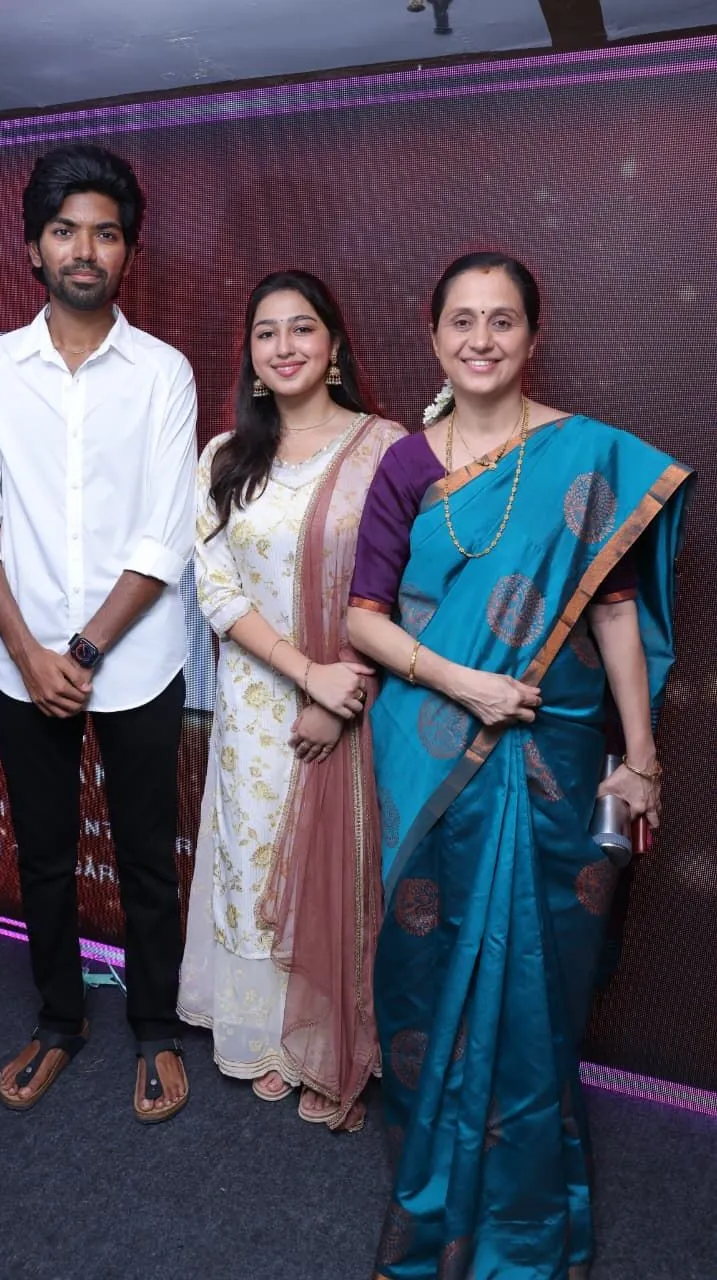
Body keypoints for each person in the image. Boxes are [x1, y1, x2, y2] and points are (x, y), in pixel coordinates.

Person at [346, 253, 691, 1276]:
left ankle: (526, 1212)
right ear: (433, 335)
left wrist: (641, 759)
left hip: (555, 753)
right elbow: (363, 620)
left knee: (540, 978)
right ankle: (439, 1182)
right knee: (432, 962)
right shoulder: (406, 465)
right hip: (433, 749)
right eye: (461, 320)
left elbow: (616, 613)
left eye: (502, 320)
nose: (481, 339)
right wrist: (467, 685)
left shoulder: (585, 459)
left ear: (532, 336)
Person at [0, 144, 197, 1122]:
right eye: (64, 231)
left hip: (136, 660)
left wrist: (83, 651)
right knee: (43, 855)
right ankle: (58, 1020)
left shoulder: (163, 373)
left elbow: (163, 532)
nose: (84, 249)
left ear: (127, 251)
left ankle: (155, 1027)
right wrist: (27, 651)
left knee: (146, 858)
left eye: (104, 232)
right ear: (33, 250)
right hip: (21, 662)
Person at [177, 270, 404, 1131]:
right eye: (266, 332)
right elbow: (216, 588)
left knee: (342, 870)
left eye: (301, 328)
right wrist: (304, 676)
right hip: (257, 704)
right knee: (256, 860)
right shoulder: (225, 457)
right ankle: (269, 1036)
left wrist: (339, 689)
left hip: (356, 698)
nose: (284, 347)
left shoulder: (384, 450)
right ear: (249, 354)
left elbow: (402, 587)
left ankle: (333, 1040)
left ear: (334, 343)